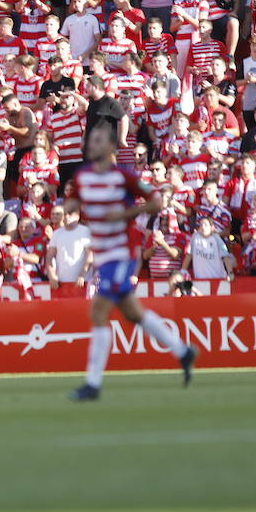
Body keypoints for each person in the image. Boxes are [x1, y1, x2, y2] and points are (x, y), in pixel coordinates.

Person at [67, 124, 195, 401]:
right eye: (91, 139)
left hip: (123, 253)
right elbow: (73, 203)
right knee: (133, 314)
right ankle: (182, 350)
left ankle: (92, 384)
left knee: (98, 312)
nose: (92, 143)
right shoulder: (83, 176)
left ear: (111, 148)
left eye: (98, 139)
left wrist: (128, 212)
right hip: (104, 253)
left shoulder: (124, 177)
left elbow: (156, 200)